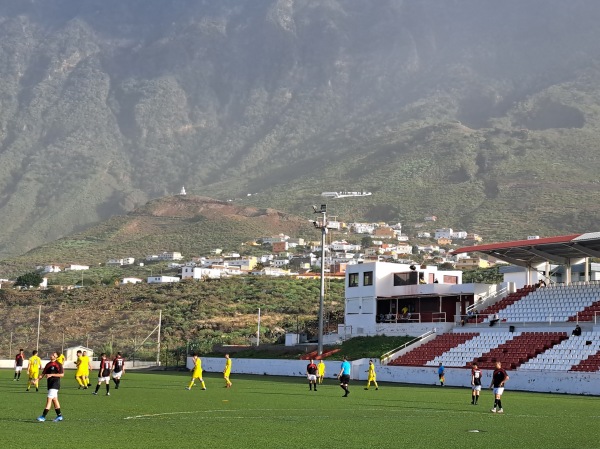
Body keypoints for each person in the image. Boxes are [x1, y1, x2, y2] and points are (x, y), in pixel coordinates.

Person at [37, 352, 64, 422]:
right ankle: (59, 416)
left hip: (55, 384)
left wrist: (52, 375)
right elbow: (43, 374)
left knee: (49, 400)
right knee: (55, 400)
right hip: (50, 384)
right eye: (52, 354)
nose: (52, 355)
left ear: (56, 357)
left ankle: (43, 416)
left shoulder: (58, 364)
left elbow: (62, 375)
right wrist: (36, 380)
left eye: (53, 355)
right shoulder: (48, 364)